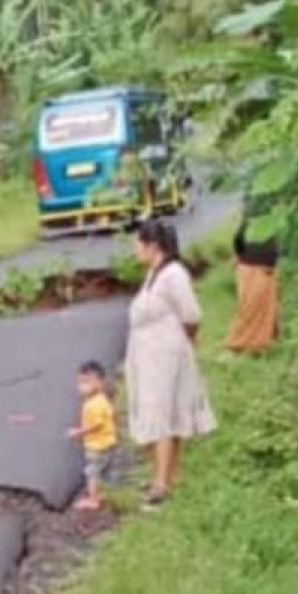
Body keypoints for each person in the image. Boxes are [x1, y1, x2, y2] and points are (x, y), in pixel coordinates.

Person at [125, 219, 216, 504]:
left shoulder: (174, 274)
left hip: (165, 354)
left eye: (138, 243)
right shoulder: (155, 274)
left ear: (153, 246)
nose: (134, 249)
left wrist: (185, 341)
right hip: (150, 354)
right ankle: (167, 475)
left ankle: (161, 483)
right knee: (163, 411)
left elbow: (191, 315)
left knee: (160, 413)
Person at [225, 212, 279, 353]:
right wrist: (238, 256)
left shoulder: (273, 222)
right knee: (249, 305)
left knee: (266, 307)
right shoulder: (249, 222)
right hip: (249, 268)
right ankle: (237, 343)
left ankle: (261, 343)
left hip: (266, 270)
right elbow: (238, 241)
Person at [68, 361, 117, 511]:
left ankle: (93, 499)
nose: (82, 387)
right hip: (107, 442)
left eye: (87, 382)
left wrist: (79, 432)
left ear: (99, 383)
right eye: (80, 382)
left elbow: (96, 424)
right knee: (105, 470)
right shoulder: (102, 400)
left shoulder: (94, 404)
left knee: (92, 472)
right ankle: (107, 492)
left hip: (98, 445)